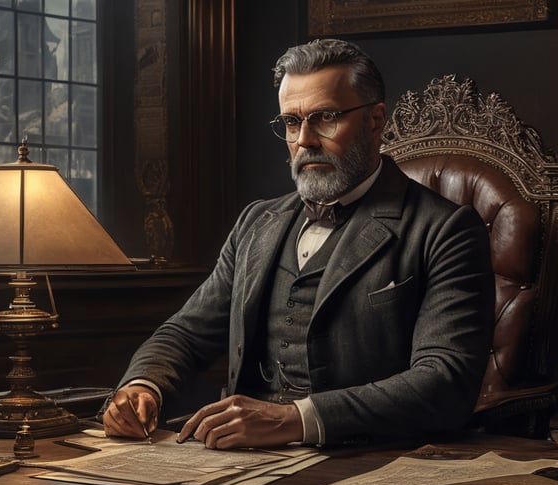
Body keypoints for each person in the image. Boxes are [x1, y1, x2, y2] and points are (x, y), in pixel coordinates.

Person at [103, 38, 494, 450]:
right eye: (291, 122)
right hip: (236, 459)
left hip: (365, 459)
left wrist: (296, 419)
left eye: (325, 118)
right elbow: (186, 333)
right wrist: (143, 386)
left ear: (376, 121)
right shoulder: (257, 222)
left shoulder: (447, 229)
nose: (305, 139)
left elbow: (444, 381)